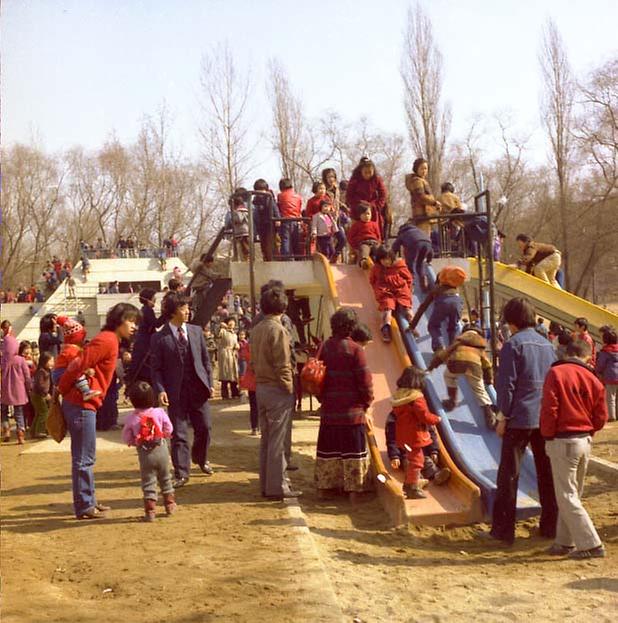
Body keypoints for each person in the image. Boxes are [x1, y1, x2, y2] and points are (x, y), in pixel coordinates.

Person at [480, 297, 558, 545]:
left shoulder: (512, 345)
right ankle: (550, 525)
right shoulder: (547, 345)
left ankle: (503, 531)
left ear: (511, 321)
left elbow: (506, 386)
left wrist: (503, 416)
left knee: (509, 474)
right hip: (544, 417)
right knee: (546, 473)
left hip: (519, 418)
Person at [58, 303, 140, 519]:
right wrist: (63, 389)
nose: (134, 326)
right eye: (131, 321)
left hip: (84, 404)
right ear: (119, 320)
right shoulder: (107, 340)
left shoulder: (110, 340)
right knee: (84, 457)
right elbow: (77, 364)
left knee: (86, 456)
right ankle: (85, 505)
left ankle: (89, 500)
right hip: (81, 404)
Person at [540, 340, 608, 558]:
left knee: (566, 496)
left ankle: (591, 544)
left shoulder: (556, 373)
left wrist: (547, 435)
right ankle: (565, 541)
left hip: (563, 439)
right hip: (584, 439)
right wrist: (590, 431)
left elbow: (550, 408)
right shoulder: (593, 378)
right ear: (588, 357)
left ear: (567, 352)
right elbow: (601, 416)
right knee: (572, 493)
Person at [151, 293, 214, 487]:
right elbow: (156, 369)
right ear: (172, 312)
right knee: (178, 433)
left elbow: (206, 361)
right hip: (175, 392)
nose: (188, 311)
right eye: (183, 308)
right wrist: (160, 390)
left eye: (188, 307)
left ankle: (200, 458)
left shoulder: (196, 331)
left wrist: (210, 382)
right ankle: (182, 472)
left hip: (198, 389)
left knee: (204, 427)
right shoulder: (159, 338)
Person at [315, 308, 373, 503]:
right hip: (352, 411)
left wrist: (322, 398)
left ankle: (326, 488)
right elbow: (365, 381)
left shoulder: (325, 347)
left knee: (329, 449)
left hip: (330, 409)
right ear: (352, 327)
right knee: (353, 451)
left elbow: (317, 376)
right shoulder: (356, 349)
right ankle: (353, 492)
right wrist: (367, 403)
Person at [250, 286, 300, 499]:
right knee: (278, 441)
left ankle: (267, 485)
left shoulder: (257, 328)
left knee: (267, 440)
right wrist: (290, 388)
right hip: (277, 389)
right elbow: (283, 364)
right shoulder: (278, 330)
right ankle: (278, 486)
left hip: (261, 387)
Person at [122, 381, 176, 522]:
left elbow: (126, 437)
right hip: (161, 449)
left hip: (145, 453)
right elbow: (169, 428)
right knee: (165, 477)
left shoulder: (131, 418)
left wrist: (136, 442)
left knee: (148, 481)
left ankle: (150, 510)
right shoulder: (159, 412)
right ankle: (170, 504)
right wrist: (164, 436)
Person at [428, 325, 497, 429]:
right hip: (474, 367)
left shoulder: (459, 341)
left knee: (448, 376)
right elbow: (487, 364)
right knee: (479, 390)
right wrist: (489, 378)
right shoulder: (480, 345)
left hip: (457, 363)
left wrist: (433, 365)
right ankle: (490, 416)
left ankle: (452, 401)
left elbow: (445, 353)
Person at [390, 367, 442, 499]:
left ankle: (410, 484)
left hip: (403, 435)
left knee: (413, 459)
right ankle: (412, 486)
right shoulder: (416, 398)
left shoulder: (399, 397)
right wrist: (436, 419)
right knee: (417, 461)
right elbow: (423, 415)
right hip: (414, 434)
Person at [409, 266, 466, 352]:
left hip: (443, 303)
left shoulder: (436, 289)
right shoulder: (455, 289)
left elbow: (423, 308)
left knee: (433, 326)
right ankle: (452, 350)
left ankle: (439, 346)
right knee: (453, 328)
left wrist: (412, 326)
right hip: (458, 303)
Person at [369, 246, 417, 343]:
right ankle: (385, 328)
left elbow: (408, 278)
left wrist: (408, 289)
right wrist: (378, 290)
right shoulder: (377, 268)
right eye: (383, 260)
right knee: (387, 308)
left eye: (388, 259)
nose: (386, 262)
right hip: (386, 291)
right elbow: (372, 280)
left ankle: (412, 325)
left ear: (392, 258)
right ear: (379, 260)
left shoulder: (399, 265)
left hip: (400, 289)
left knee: (406, 307)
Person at [53, 317, 101, 401]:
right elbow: (76, 365)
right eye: (82, 337)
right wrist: (86, 371)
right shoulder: (71, 349)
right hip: (61, 372)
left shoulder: (69, 348)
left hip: (60, 372)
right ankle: (86, 391)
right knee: (78, 374)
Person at [127, 288, 164, 386]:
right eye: (153, 298)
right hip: (146, 342)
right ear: (148, 300)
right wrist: (166, 315)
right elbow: (156, 324)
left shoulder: (144, 309)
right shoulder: (148, 310)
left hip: (142, 340)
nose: (155, 300)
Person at [1, 333, 32, 444]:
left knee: (3, 412)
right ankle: (20, 435)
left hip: (4, 390)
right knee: (19, 413)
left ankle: (6, 431)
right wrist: (29, 388)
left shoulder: (3, 361)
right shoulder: (21, 360)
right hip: (19, 391)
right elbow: (27, 376)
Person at [346, 157, 388, 236]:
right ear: (361, 171)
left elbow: (383, 194)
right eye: (365, 172)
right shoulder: (354, 180)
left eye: (370, 172)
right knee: (356, 234)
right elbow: (349, 196)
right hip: (357, 211)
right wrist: (358, 205)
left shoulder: (377, 179)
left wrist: (377, 206)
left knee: (374, 233)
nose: (368, 175)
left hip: (372, 210)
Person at [391, 219, 433, 291]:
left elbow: (395, 247)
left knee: (410, 264)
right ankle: (424, 284)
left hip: (414, 244)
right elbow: (430, 249)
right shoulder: (419, 231)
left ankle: (411, 285)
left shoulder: (403, 233)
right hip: (428, 243)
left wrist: (392, 258)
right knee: (420, 264)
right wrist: (429, 260)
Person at [405, 158, 440, 236]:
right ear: (416, 169)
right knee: (424, 238)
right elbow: (421, 197)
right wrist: (434, 203)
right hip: (422, 214)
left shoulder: (422, 180)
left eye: (426, 168)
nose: (424, 171)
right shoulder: (417, 181)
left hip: (426, 214)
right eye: (422, 168)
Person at [322, 168, 348, 260]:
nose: (331, 179)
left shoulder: (336, 189)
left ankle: (335, 256)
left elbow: (336, 201)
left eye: (332, 177)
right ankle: (328, 258)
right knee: (327, 242)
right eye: (328, 177)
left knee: (343, 239)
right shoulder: (323, 190)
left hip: (337, 218)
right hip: (327, 219)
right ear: (325, 178)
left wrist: (344, 207)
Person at [252, 179, 280, 262]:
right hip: (261, 225)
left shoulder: (269, 197)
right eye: (258, 191)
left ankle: (273, 260)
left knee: (270, 244)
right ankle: (267, 259)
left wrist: (277, 218)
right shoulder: (255, 201)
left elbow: (275, 208)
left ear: (266, 190)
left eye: (262, 190)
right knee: (263, 245)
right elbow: (255, 213)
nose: (260, 193)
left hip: (269, 224)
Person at [347, 204, 382, 269]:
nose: (366, 216)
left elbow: (378, 235)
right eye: (364, 214)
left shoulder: (374, 224)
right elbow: (350, 237)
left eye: (368, 214)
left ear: (371, 214)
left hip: (374, 242)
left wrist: (379, 242)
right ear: (360, 215)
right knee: (364, 250)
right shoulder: (356, 225)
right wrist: (355, 245)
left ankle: (381, 262)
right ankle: (364, 262)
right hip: (364, 242)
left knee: (379, 250)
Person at [596, 325, 617, 422]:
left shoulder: (605, 351)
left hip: (610, 377)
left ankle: (612, 416)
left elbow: (600, 365)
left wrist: (598, 371)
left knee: (610, 398)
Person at [277, 178, 303, 259]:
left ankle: (285, 258)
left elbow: (279, 207)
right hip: (296, 220)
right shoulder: (298, 196)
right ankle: (298, 259)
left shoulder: (280, 195)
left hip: (285, 220)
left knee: (285, 240)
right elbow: (299, 208)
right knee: (296, 241)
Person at [218, 319, 240, 399]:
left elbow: (235, 343)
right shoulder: (223, 331)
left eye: (233, 323)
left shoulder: (234, 334)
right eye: (230, 322)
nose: (232, 324)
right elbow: (217, 334)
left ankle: (235, 392)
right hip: (225, 354)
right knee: (225, 373)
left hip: (232, 354)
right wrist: (220, 326)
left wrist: (237, 346)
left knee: (233, 374)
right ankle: (225, 394)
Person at [231, 193, 250, 261]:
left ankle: (246, 259)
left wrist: (233, 218)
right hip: (245, 231)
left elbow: (239, 219)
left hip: (242, 232)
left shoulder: (238, 211)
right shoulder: (247, 210)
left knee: (244, 247)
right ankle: (246, 258)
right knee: (245, 246)